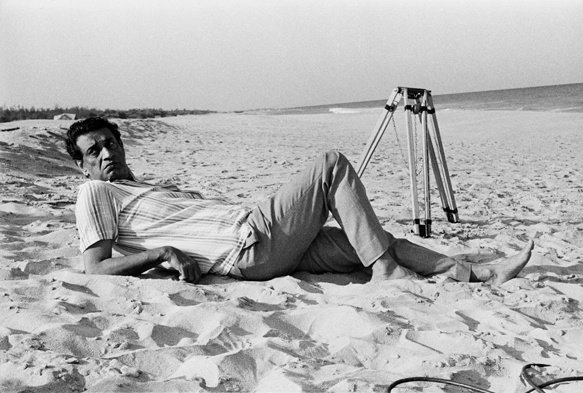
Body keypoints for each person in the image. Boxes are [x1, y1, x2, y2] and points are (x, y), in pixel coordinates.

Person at [65, 117, 534, 285]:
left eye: (112, 143)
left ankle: (478, 273)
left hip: (263, 247)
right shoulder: (94, 191)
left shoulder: (146, 188)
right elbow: (95, 268)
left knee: (372, 240)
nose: (107, 153)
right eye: (94, 151)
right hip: (249, 242)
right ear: (82, 165)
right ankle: (388, 275)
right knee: (331, 163)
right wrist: (160, 253)